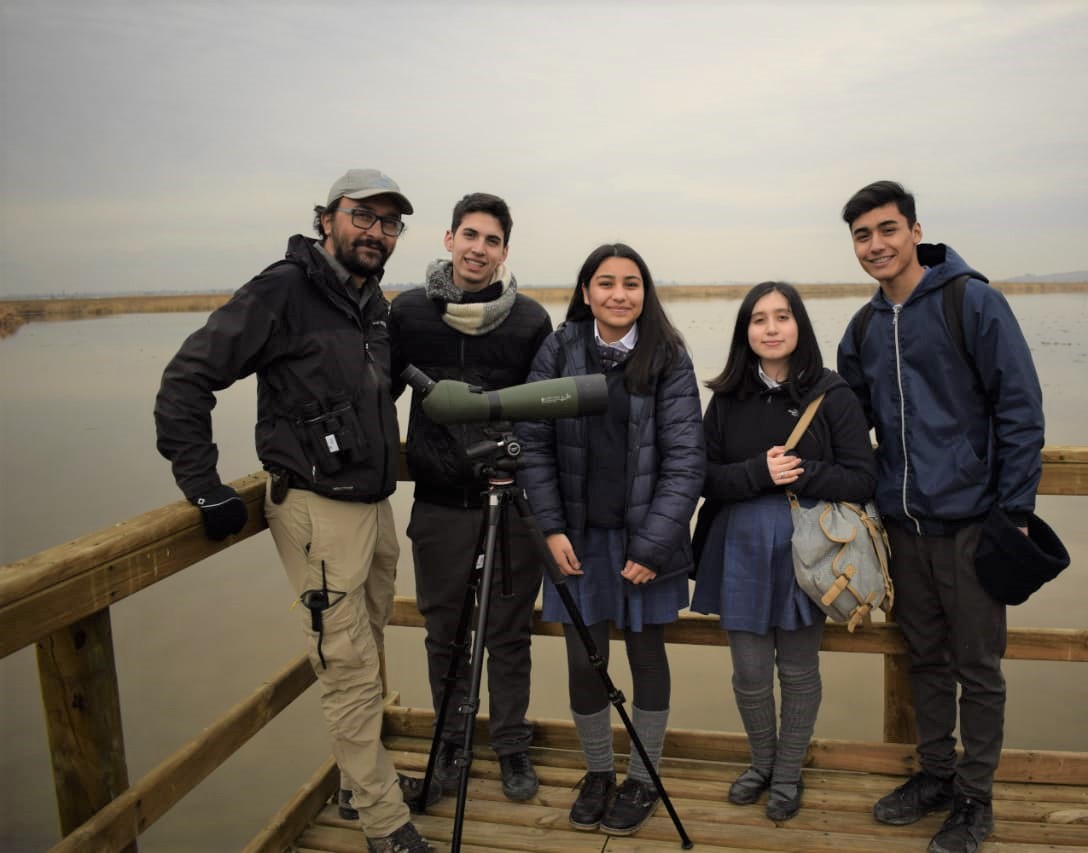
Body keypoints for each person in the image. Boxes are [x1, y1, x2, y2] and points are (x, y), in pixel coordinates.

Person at [155, 169, 435, 853]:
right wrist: (204, 484)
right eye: (363, 216)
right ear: (326, 218)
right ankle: (382, 820)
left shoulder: (372, 304)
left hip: (372, 506)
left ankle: (354, 777)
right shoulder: (284, 289)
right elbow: (186, 379)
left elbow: (383, 386)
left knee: (364, 647)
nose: (377, 232)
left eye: (390, 223)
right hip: (315, 509)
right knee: (344, 661)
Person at [835, 180, 1044, 853]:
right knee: (924, 657)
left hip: (976, 524)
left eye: (887, 229)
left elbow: (1020, 410)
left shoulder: (971, 301)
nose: (876, 245)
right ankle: (935, 775)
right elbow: (846, 422)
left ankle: (975, 802)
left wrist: (1012, 516)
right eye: (863, 235)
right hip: (905, 527)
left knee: (979, 667)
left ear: (915, 230)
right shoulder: (864, 328)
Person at [515, 243, 704, 836]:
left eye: (631, 283)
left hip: (647, 540)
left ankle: (643, 775)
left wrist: (652, 546)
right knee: (582, 660)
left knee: (648, 657)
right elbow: (533, 441)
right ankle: (599, 771)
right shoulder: (560, 347)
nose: (619, 294)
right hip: (576, 539)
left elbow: (686, 459)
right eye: (606, 283)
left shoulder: (668, 355)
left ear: (645, 292)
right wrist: (550, 529)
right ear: (587, 290)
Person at [691, 281, 876, 822]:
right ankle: (762, 763)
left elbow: (863, 478)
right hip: (738, 550)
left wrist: (800, 473)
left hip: (810, 553)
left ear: (800, 325)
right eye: (759, 319)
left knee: (797, 670)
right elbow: (702, 475)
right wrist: (757, 472)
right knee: (749, 672)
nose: (771, 329)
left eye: (782, 317)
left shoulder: (833, 393)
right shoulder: (726, 397)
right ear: (745, 331)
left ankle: (789, 774)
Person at [388, 193, 551, 803]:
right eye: (470, 236)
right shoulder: (406, 312)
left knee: (509, 633)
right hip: (436, 502)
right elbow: (375, 392)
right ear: (449, 238)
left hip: (509, 502)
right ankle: (451, 746)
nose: (478, 249)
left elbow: (545, 410)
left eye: (491, 240)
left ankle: (511, 746)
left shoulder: (531, 319)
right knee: (444, 633)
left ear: (504, 251)